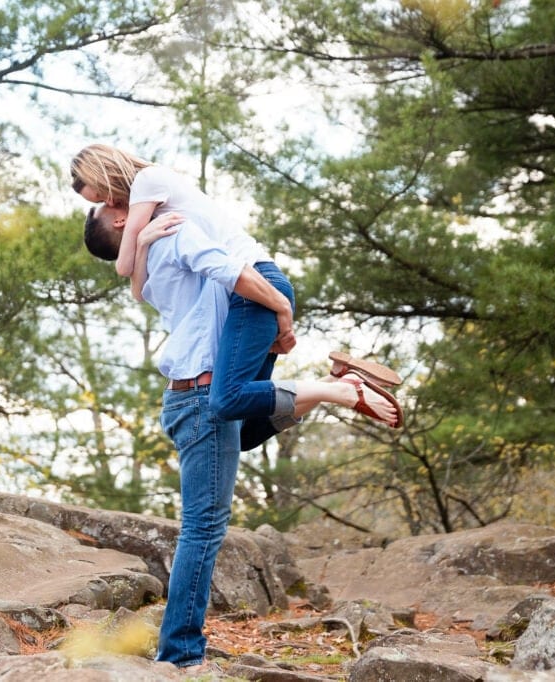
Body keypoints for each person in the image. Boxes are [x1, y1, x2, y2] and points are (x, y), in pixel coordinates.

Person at [83, 204, 400, 671]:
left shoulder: (157, 264)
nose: (123, 204)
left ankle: (179, 656)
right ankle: (336, 386)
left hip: (192, 396)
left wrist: (144, 239)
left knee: (208, 511)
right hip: (201, 397)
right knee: (206, 521)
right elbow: (228, 270)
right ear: (117, 223)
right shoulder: (170, 242)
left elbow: (136, 280)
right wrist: (281, 308)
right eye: (113, 207)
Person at [71, 143, 403, 438]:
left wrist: (139, 240)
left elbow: (123, 267)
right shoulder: (154, 210)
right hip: (245, 289)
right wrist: (143, 240)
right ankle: (336, 381)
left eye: (102, 195)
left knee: (227, 398)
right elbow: (138, 289)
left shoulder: (148, 182)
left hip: (253, 282)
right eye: (102, 201)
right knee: (244, 430)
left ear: (103, 171)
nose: (111, 201)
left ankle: (344, 390)